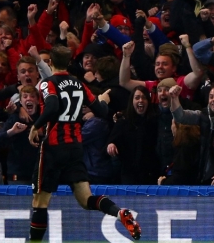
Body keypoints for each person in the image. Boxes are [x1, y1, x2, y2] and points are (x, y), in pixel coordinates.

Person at [26, 45, 141, 241]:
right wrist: (103, 99)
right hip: (75, 147)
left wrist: (35, 126)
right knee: (86, 199)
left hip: (54, 147)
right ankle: (119, 212)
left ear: (51, 63)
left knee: (40, 201)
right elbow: (101, 111)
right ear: (70, 63)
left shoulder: (47, 83)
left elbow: (52, 106)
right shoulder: (79, 84)